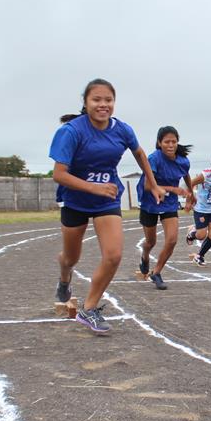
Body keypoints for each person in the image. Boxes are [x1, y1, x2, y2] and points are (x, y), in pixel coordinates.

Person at [50, 78, 164, 335]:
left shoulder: (122, 130)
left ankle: (89, 309)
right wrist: (94, 187)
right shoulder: (71, 131)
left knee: (113, 255)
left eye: (108, 100)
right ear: (86, 103)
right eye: (97, 100)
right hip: (76, 200)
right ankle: (64, 278)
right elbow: (59, 174)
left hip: (107, 200)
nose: (103, 105)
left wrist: (153, 184)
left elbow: (140, 154)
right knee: (71, 257)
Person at [137, 126, 193, 290]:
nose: (170, 145)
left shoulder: (183, 161)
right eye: (166, 142)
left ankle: (157, 272)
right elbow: (148, 185)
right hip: (149, 202)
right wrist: (173, 189)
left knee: (172, 240)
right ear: (159, 143)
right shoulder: (154, 159)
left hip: (169, 204)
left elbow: (186, 174)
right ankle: (145, 256)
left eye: (174, 141)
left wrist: (191, 192)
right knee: (150, 242)